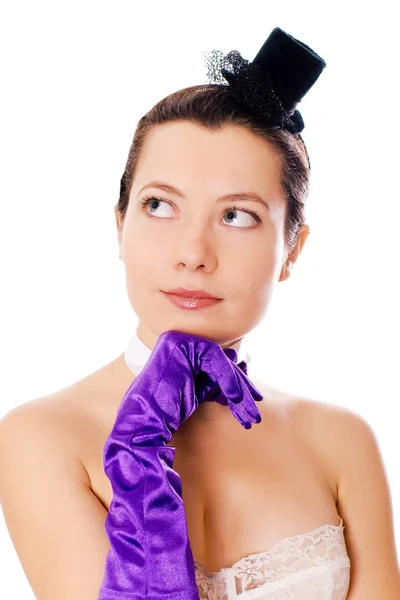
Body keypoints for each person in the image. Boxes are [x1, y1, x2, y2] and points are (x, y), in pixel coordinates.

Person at [0, 27, 399, 600]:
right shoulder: (40, 437)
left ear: (292, 249)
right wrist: (135, 440)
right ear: (120, 226)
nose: (192, 254)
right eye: (159, 205)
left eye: (237, 216)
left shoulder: (341, 441)